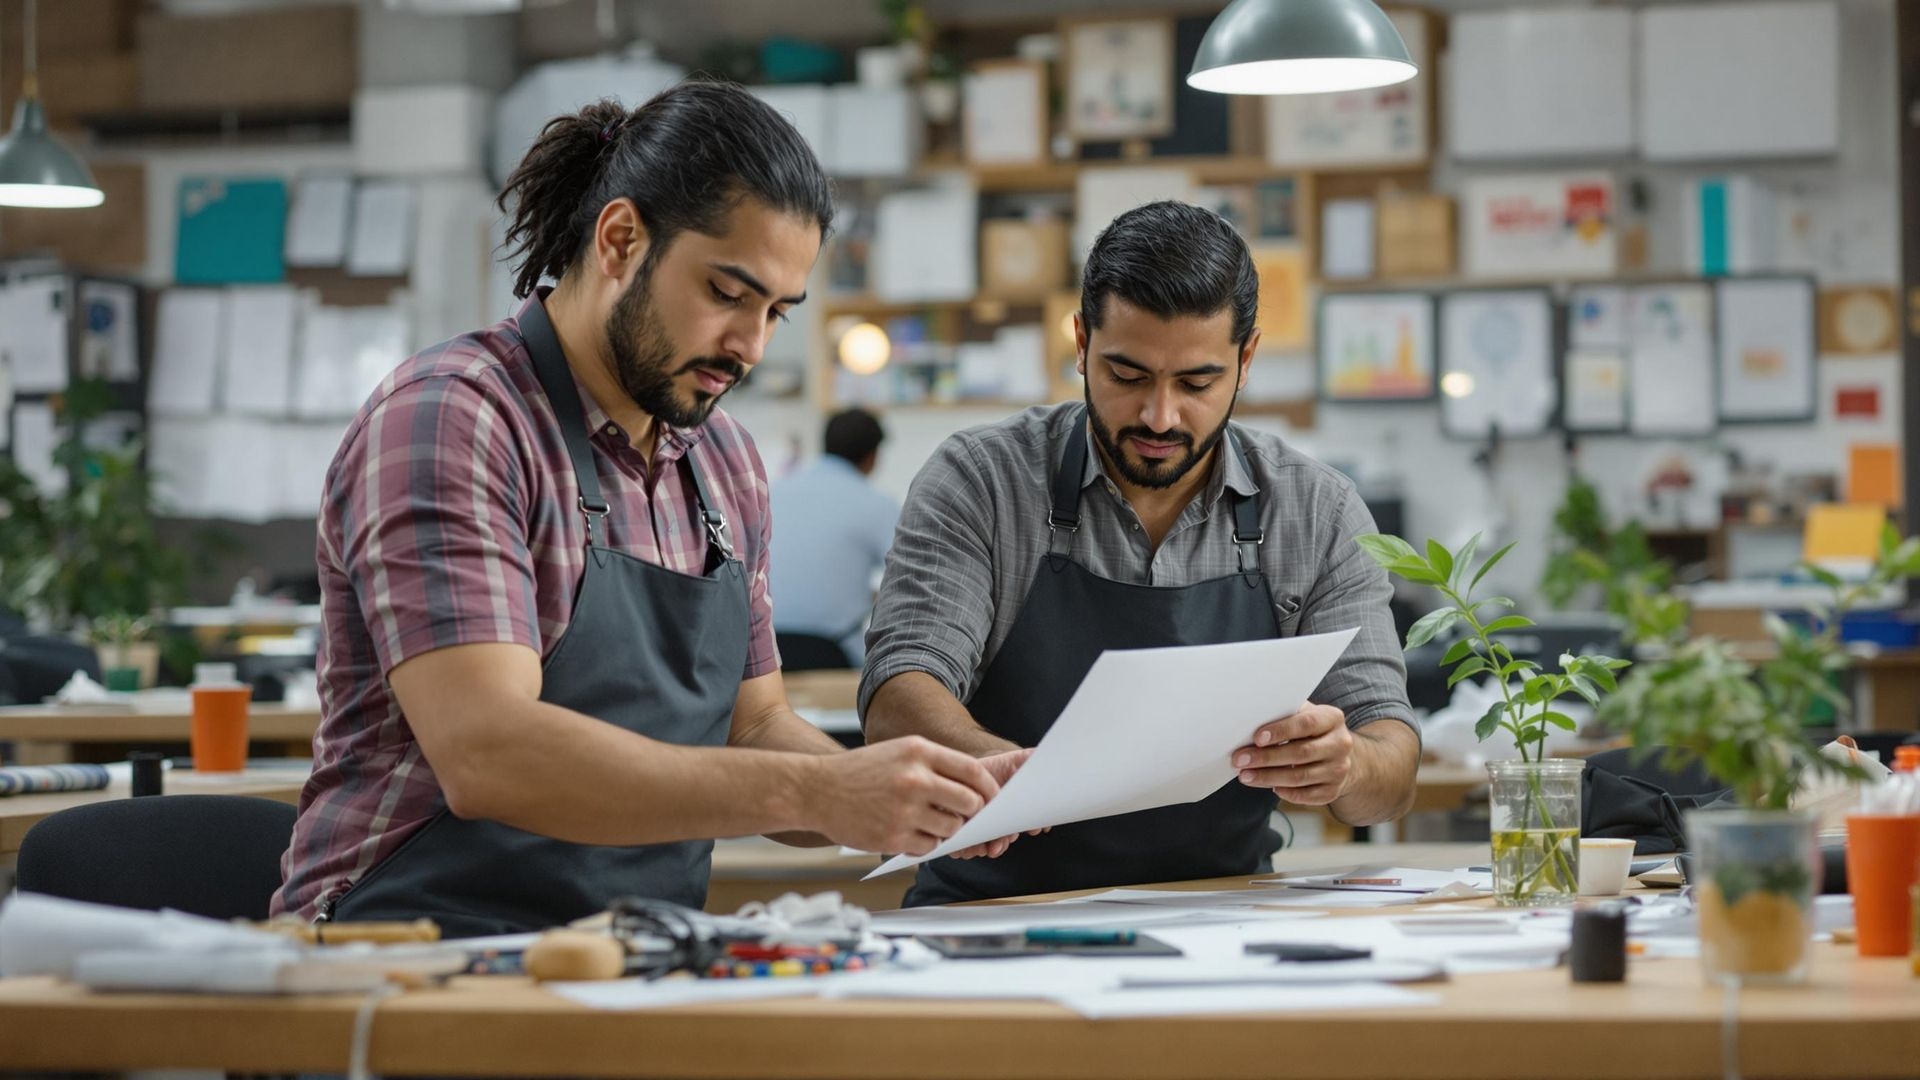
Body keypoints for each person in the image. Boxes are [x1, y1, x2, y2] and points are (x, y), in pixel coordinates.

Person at [273, 82, 1024, 937]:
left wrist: (918, 797)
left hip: (640, 951)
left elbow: (756, 728)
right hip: (408, 951)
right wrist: (822, 791)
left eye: (777, 311)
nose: (752, 346)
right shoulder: (454, 418)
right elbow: (489, 752)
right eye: (727, 293)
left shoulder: (725, 463)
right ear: (622, 239)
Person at [861, 200, 1420, 906]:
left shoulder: (1317, 511)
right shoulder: (982, 481)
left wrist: (1345, 767)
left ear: (1245, 360)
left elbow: (1391, 769)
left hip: (1226, 917)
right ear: (1081, 342)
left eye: (1196, 383)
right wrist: (1006, 775)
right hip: (992, 912)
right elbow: (899, 691)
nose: (1160, 416)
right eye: (1127, 376)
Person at [768, 408, 901, 667]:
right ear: (873, 456)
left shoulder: (774, 491)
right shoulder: (877, 505)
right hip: (832, 654)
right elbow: (911, 578)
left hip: (763, 650)